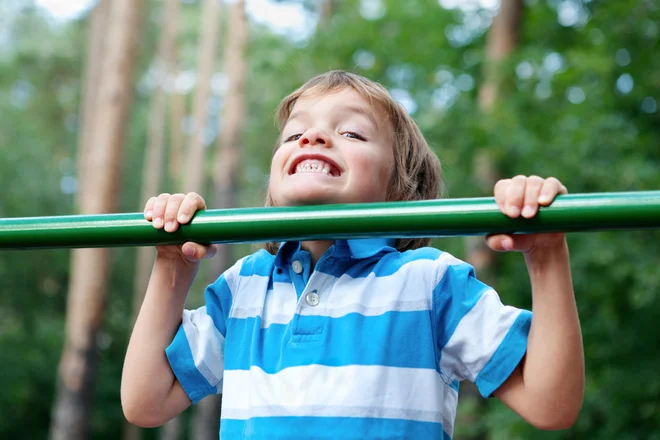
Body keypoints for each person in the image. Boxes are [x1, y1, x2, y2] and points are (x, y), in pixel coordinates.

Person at [121, 70, 584, 439]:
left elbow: (550, 405)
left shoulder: (429, 282)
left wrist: (546, 257)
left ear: (401, 186)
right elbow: (147, 402)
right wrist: (171, 264)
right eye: (293, 134)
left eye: (352, 133)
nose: (313, 138)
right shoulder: (246, 286)